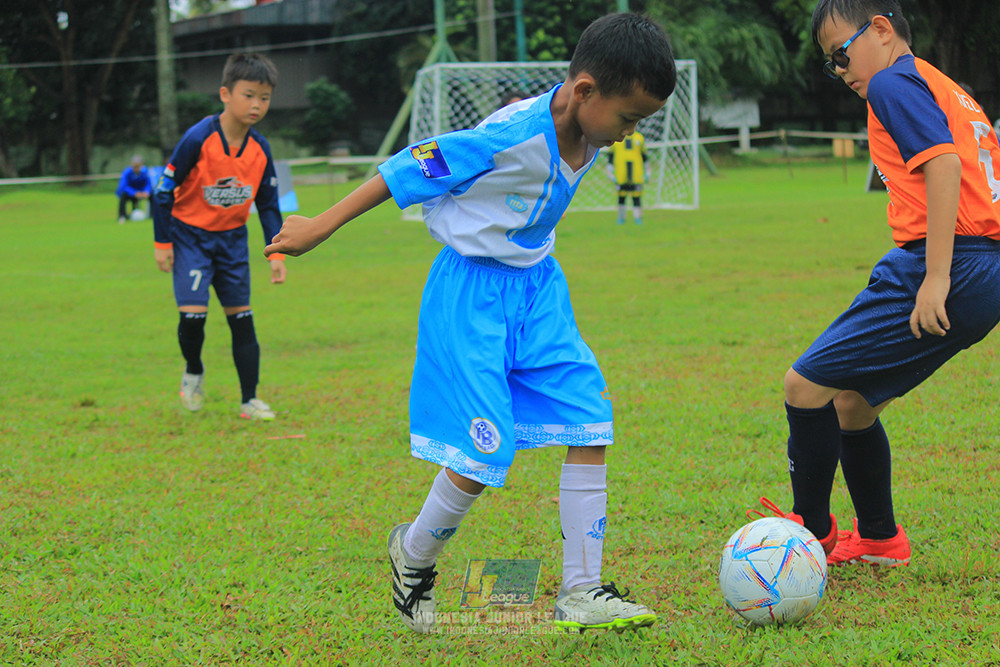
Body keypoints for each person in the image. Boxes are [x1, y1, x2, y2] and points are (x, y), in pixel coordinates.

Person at [264, 13, 676, 633]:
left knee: (590, 420)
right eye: (629, 118)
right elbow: (408, 164)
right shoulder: (508, 136)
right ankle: (413, 555)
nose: (630, 132)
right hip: (470, 295)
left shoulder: (590, 131)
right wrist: (318, 226)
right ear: (585, 91)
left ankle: (582, 590)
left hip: (540, 292)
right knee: (486, 453)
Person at [755, 0, 1000, 568]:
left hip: (949, 265)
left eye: (842, 54)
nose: (841, 72)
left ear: (882, 31)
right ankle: (880, 540)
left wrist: (936, 277)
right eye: (831, 65)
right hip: (982, 267)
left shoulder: (892, 82)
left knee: (802, 387)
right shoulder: (943, 86)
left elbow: (944, 167)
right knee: (852, 406)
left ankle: (808, 538)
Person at [151, 52, 286, 421]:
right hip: (190, 238)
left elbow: (269, 205)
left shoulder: (261, 148)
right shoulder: (198, 138)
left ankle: (249, 401)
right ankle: (193, 370)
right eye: (249, 95)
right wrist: (162, 244)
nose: (257, 105)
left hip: (232, 242)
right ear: (225, 93)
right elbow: (162, 192)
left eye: (265, 97)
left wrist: (276, 253)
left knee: (242, 318)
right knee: (193, 319)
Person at [607, 131, 646, 224]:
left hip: (636, 173)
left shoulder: (639, 137)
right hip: (621, 173)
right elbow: (610, 157)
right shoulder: (616, 139)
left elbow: (644, 156)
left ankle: (638, 218)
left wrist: (647, 171)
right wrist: (610, 172)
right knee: (621, 197)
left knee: (636, 197)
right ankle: (621, 218)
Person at [116, 154, 152, 223]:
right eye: (135, 166)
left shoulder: (145, 171)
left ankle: (152, 215)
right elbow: (123, 186)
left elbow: (148, 183)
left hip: (142, 192)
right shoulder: (127, 172)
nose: (136, 168)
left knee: (153, 195)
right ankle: (122, 215)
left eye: (138, 166)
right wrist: (134, 193)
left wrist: (146, 191)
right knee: (123, 195)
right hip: (131, 193)